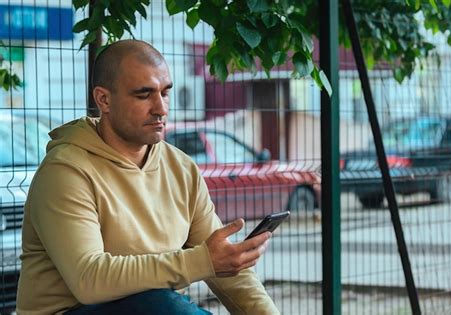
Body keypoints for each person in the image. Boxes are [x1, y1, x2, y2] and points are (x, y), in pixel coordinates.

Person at [16, 39, 279, 314]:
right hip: (75, 310)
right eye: (144, 95)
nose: (161, 108)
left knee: (161, 303)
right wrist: (201, 261)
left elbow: (224, 268)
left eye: (165, 93)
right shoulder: (65, 171)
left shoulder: (181, 168)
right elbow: (88, 279)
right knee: (161, 304)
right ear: (103, 99)